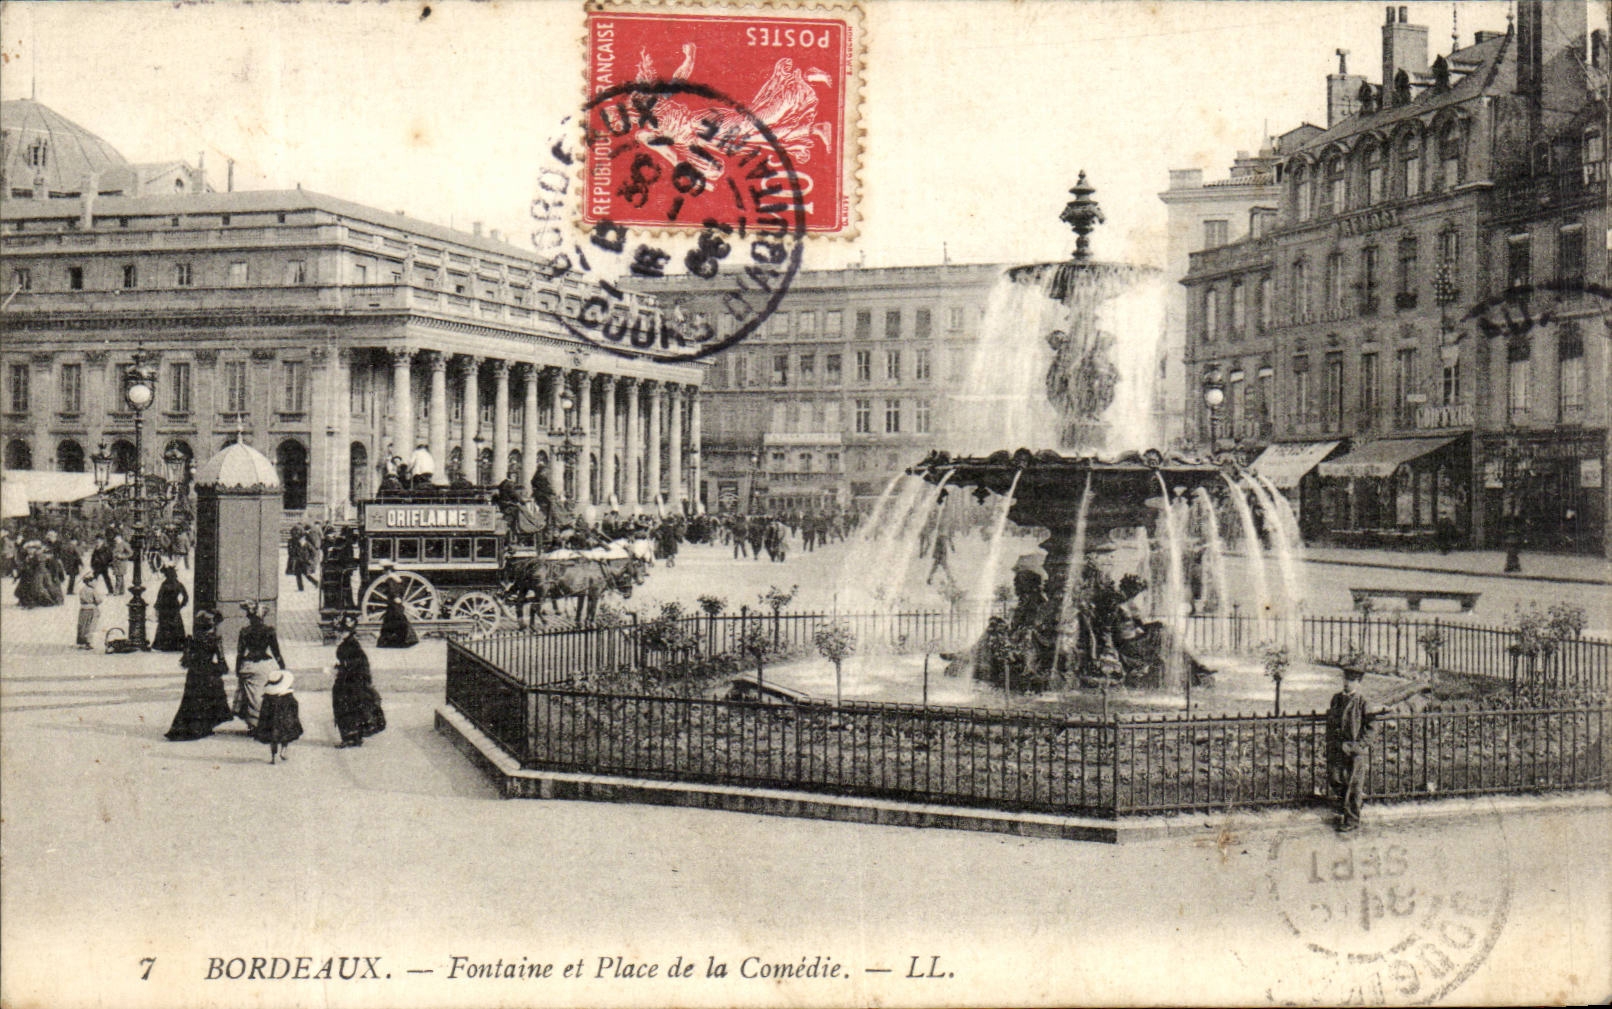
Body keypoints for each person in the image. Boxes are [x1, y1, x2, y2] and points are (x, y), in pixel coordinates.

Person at [165, 610, 235, 740]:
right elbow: (221, 660)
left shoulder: (192, 639)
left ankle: (190, 728)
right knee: (210, 698)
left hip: (194, 672)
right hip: (208, 671)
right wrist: (222, 668)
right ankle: (205, 726)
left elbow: (185, 661)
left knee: (191, 700)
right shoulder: (215, 639)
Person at [1325, 667, 1376, 833]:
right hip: (1337, 747)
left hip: (1354, 750)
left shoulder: (1363, 702)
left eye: (1352, 680)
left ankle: (1352, 819)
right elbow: (1331, 723)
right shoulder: (1336, 699)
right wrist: (1331, 742)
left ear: (1358, 683)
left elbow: (1371, 728)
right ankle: (1347, 806)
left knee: (1353, 785)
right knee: (1335, 778)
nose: (1347, 683)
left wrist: (1359, 746)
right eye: (1346, 679)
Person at [331, 613, 387, 747]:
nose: (339, 634)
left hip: (350, 682)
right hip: (353, 681)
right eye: (339, 631)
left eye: (342, 631)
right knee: (352, 709)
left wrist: (340, 669)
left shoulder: (350, 645)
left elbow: (355, 665)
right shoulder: (350, 644)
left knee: (345, 708)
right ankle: (355, 737)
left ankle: (350, 739)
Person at [234, 601, 287, 732]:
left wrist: (237, 669)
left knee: (251, 695)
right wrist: (282, 667)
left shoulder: (244, 632)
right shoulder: (269, 631)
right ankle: (265, 722)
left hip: (249, 665)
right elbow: (276, 652)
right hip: (265, 666)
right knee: (266, 692)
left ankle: (253, 723)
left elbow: (240, 653)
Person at [253, 668, 303, 764]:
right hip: (285, 720)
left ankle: (273, 757)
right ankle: (283, 751)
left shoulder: (267, 696)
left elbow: (264, 711)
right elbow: (294, 705)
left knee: (273, 739)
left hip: (272, 721)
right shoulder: (287, 695)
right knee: (286, 736)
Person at [151, 566, 190, 651]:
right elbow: (186, 597)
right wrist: (181, 605)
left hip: (165, 607)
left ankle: (165, 645)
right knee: (176, 626)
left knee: (165, 626)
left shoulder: (164, 584)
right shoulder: (178, 584)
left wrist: (157, 607)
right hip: (174, 607)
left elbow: (159, 597)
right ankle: (177, 645)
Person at [375, 579, 419, 648]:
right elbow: (395, 592)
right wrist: (396, 597)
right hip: (394, 604)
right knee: (398, 620)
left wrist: (396, 597)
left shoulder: (391, 580)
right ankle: (400, 641)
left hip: (393, 605)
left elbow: (393, 592)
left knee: (393, 621)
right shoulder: (394, 580)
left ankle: (391, 641)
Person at [76, 578, 103, 650]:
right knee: (90, 626)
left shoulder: (82, 590)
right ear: (89, 582)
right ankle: (88, 642)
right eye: (93, 581)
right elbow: (98, 600)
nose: (95, 583)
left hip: (83, 609)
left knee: (82, 626)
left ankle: (81, 642)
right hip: (91, 609)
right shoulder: (93, 590)